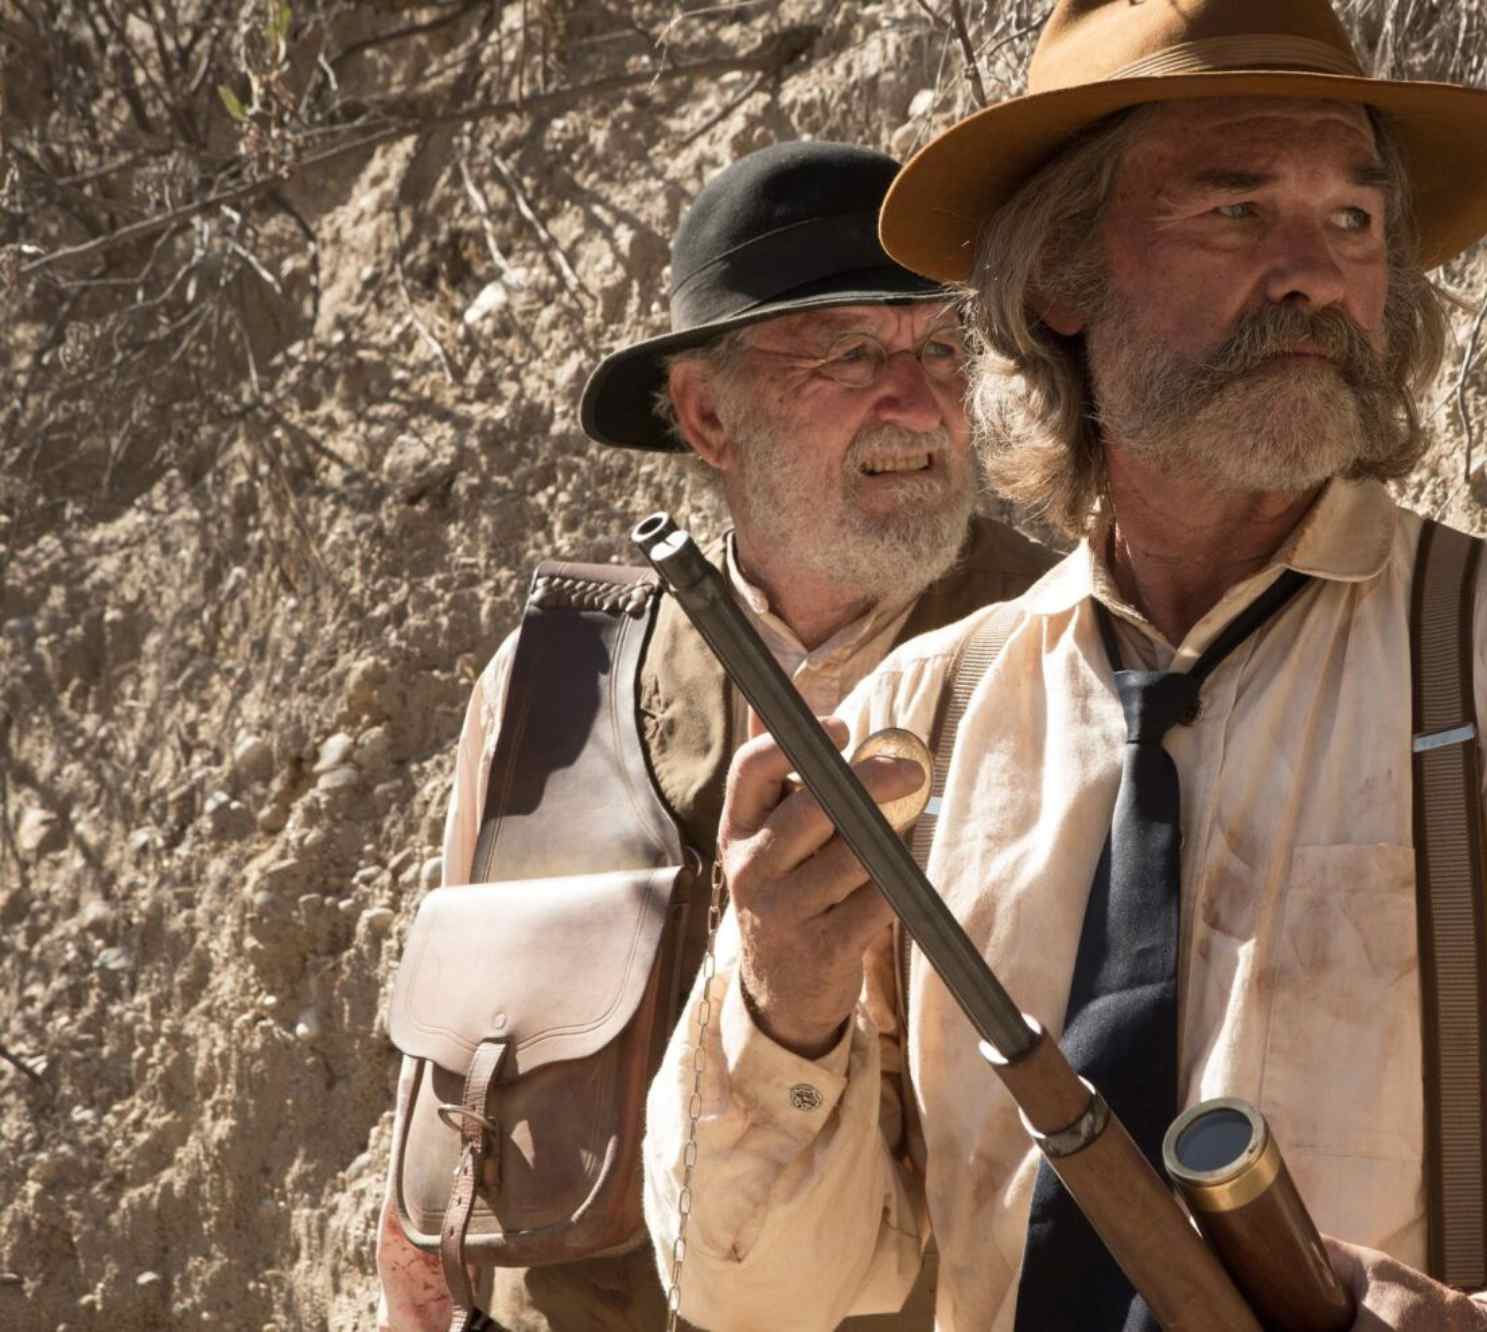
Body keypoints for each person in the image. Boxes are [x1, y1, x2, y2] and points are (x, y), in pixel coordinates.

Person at [643, 3, 1487, 1331]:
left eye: (1353, 222)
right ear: (1065, 282)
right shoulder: (927, 715)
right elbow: (766, 1293)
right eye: (1236, 214)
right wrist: (784, 1009)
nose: (1313, 274)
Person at [373, 140, 1056, 1332]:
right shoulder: (557, 680)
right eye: (848, 352)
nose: (915, 398)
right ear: (705, 414)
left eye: (937, 349)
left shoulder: (1073, 649)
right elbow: (435, 1162)